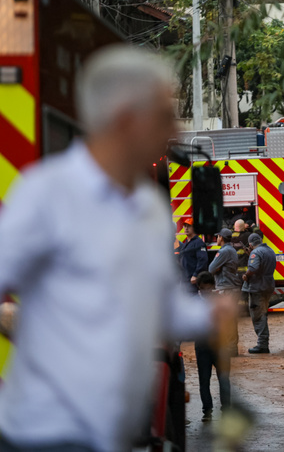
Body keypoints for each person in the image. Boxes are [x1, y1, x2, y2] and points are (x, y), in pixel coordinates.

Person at [0, 45, 234, 452]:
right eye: (164, 117)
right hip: (43, 436)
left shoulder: (149, 210)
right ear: (127, 120)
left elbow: (157, 306)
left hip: (113, 436)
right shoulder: (47, 193)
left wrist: (208, 313)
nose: (174, 133)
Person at [194, 272, 231, 422]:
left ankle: (226, 410)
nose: (206, 292)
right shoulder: (194, 304)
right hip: (203, 345)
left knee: (224, 379)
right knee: (204, 380)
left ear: (213, 287)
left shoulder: (220, 302)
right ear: (199, 288)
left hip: (220, 345)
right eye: (203, 289)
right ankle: (207, 411)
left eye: (209, 289)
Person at [208, 228, 243, 356]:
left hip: (227, 288)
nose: (216, 239)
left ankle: (229, 348)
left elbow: (211, 268)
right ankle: (232, 347)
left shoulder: (224, 251)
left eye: (217, 237)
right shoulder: (231, 250)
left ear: (221, 238)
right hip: (232, 287)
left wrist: (217, 268)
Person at [244, 233, 276, 354]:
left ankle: (262, 344)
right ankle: (263, 343)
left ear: (251, 244)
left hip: (258, 287)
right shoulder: (270, 250)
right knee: (263, 313)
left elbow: (253, 268)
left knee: (258, 316)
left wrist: (245, 275)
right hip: (268, 286)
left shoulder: (255, 253)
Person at [178, 218, 208, 294]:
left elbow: (203, 260)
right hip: (184, 280)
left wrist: (195, 275)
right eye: (185, 226)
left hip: (192, 281)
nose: (186, 228)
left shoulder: (198, 243)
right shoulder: (186, 243)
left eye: (189, 226)